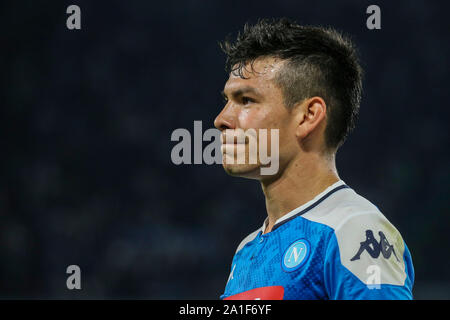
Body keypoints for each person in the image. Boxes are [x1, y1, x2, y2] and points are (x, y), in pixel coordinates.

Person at [214, 18, 414, 300]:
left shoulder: (354, 228)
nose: (221, 120)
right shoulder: (246, 250)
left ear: (308, 116)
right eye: (227, 101)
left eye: (246, 100)